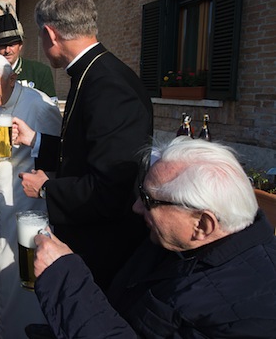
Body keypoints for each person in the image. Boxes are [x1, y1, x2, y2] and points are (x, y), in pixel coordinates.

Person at [31, 137, 276, 338]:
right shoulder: (182, 244)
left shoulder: (249, 316)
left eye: (149, 200)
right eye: (141, 193)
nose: (137, 208)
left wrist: (65, 281)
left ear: (202, 224)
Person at [13, 0, 153, 290]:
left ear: (50, 34)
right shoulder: (93, 72)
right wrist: (36, 140)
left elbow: (109, 189)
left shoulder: (108, 86)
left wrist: (47, 188)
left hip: (105, 248)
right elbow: (86, 152)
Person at [0, 54, 61, 338]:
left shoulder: (38, 104)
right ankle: (2, 326)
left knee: (27, 274)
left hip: (29, 205)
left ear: (11, 79)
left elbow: (58, 156)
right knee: (1, 270)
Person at [0, 8, 57, 101]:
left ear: (20, 45)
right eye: (2, 46)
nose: (7, 50)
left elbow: (51, 110)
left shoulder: (40, 72)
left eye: (11, 45)